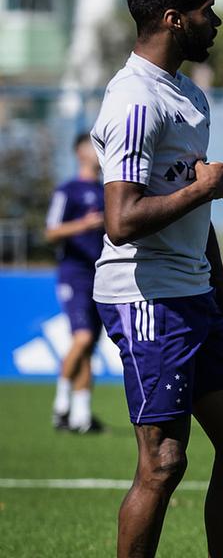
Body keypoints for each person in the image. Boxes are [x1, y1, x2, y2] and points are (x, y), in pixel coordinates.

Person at [90, 0, 223, 556]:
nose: (214, 21)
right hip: (147, 299)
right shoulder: (135, 100)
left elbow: (196, 216)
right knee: (163, 461)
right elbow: (121, 221)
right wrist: (202, 188)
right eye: (205, 10)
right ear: (173, 19)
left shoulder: (187, 95)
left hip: (193, 295)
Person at [46, 133, 106, 433]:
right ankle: (61, 405)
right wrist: (83, 224)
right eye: (93, 146)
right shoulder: (67, 190)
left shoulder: (109, 190)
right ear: (79, 151)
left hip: (102, 276)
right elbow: (51, 232)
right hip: (74, 273)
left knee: (89, 347)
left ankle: (81, 417)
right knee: (81, 338)